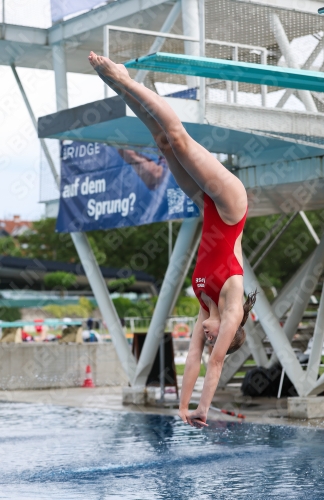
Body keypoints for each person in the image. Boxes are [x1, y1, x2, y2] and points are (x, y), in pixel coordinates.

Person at [88, 51, 257, 428]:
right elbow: (215, 362)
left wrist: (182, 409)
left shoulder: (202, 307)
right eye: (216, 338)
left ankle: (122, 88)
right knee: (179, 139)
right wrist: (204, 409)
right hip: (230, 205)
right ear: (230, 335)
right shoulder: (231, 306)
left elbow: (195, 359)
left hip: (206, 207)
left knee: (164, 143)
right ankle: (125, 78)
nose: (207, 336)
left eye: (208, 337)